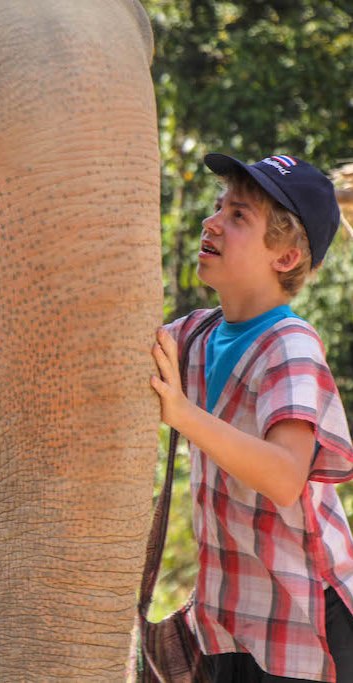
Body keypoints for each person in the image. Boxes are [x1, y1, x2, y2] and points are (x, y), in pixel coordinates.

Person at [150, 152, 353, 683]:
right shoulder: (193, 336)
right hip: (230, 617)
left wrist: (183, 414)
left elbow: (285, 476)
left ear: (285, 257)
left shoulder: (289, 345)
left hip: (306, 617)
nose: (211, 221)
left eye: (239, 215)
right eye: (219, 206)